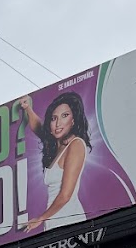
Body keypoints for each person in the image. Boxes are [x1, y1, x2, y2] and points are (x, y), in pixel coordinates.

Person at [18, 92, 92, 232]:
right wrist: (28, 108)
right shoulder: (55, 145)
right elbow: (38, 127)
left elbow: (65, 195)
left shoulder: (75, 145)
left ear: (73, 120)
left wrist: (40, 219)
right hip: (54, 220)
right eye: (54, 118)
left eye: (65, 116)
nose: (58, 123)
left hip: (70, 219)